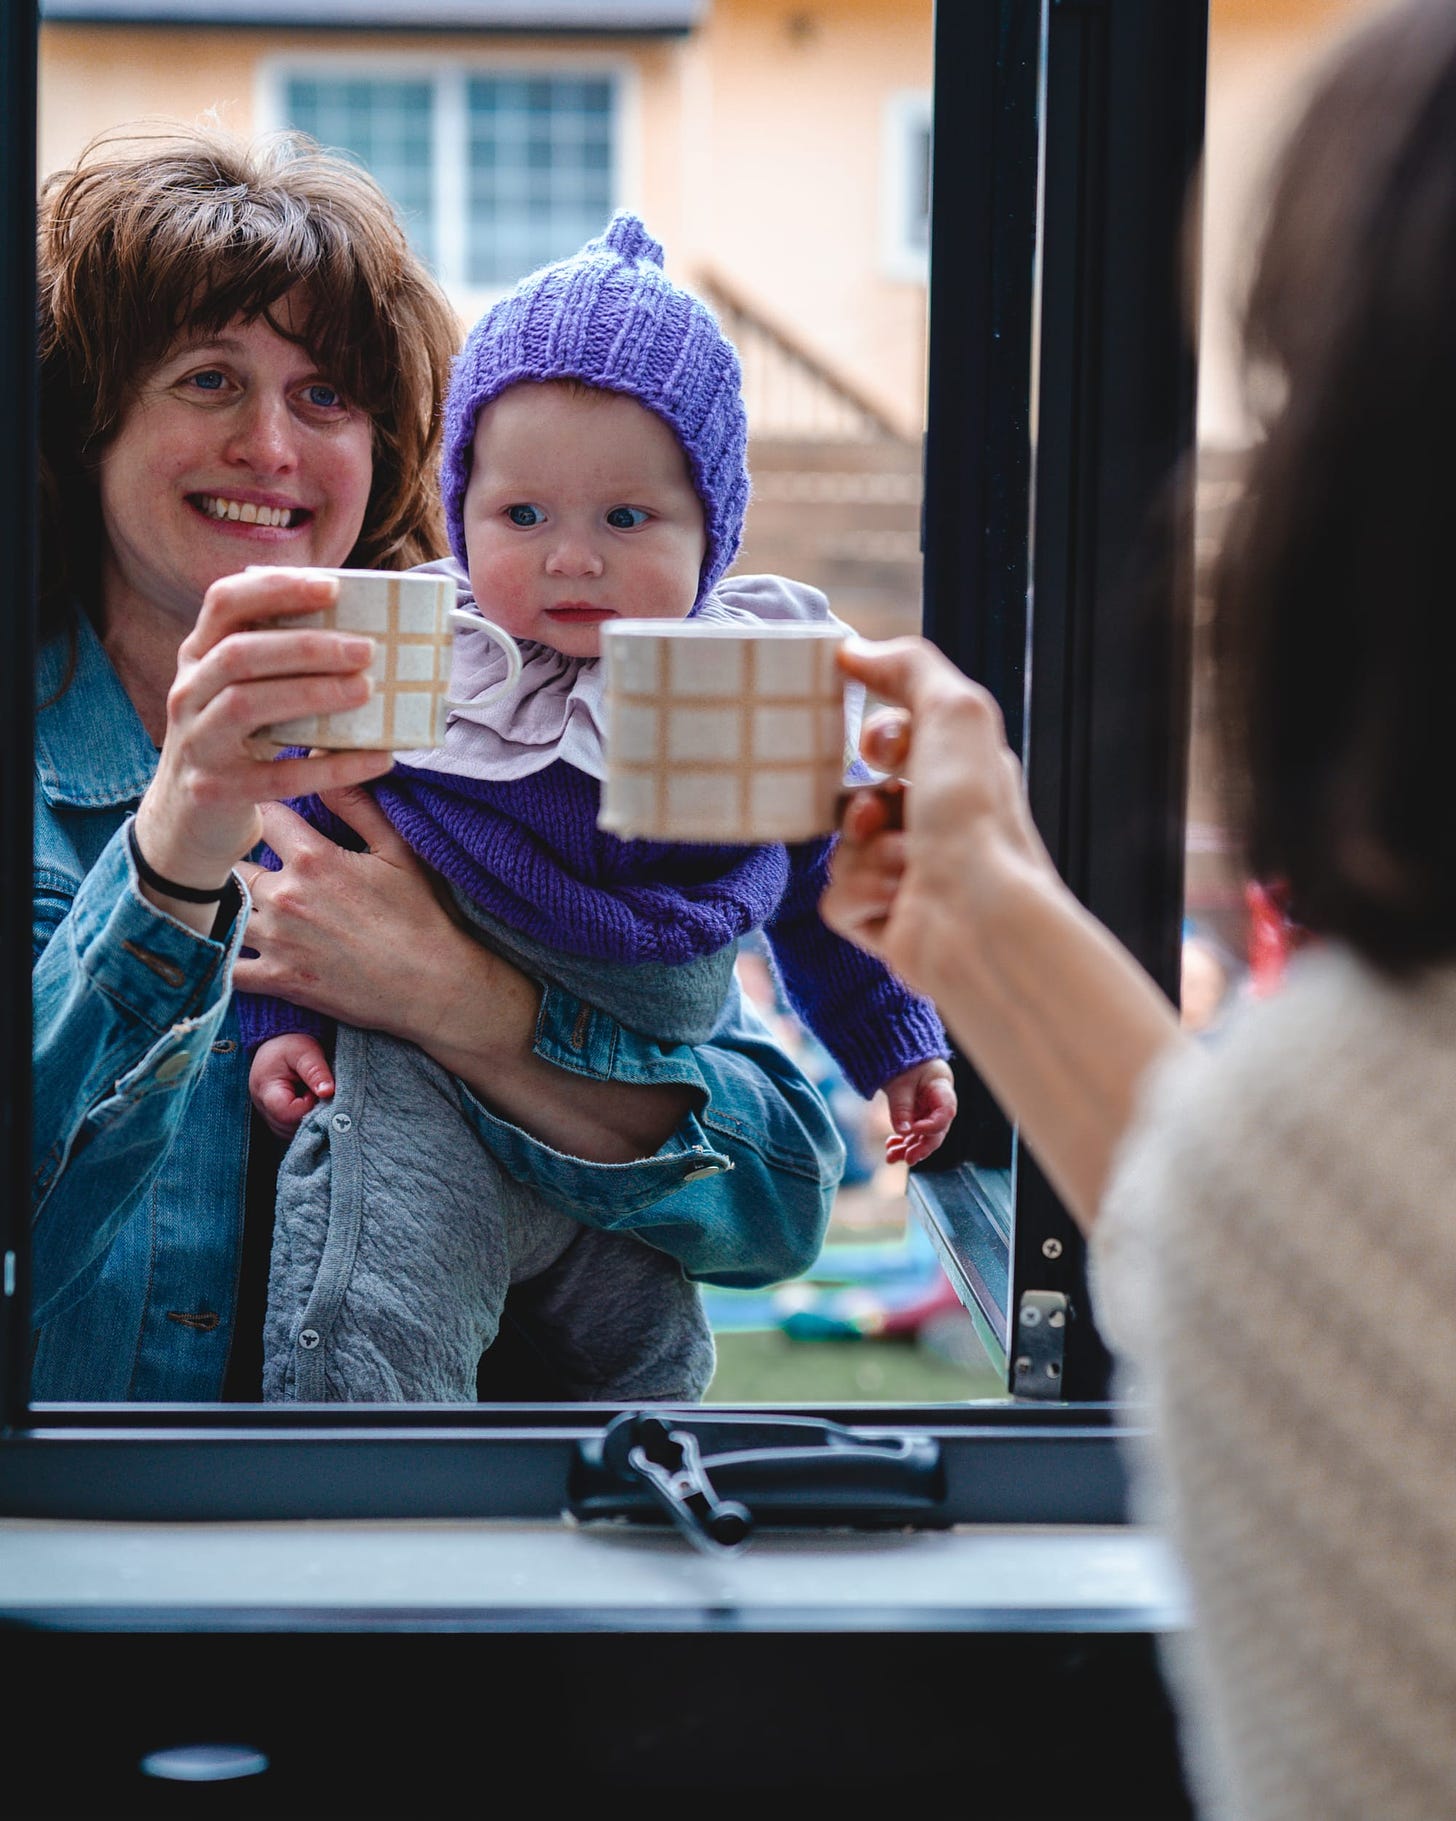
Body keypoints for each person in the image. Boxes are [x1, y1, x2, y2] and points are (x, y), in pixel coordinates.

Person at [821, 0, 1456, 1814]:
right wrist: (979, 915)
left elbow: (1312, 1242)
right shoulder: (1322, 1142)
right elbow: (1271, 1241)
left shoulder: (1344, 1126)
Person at [32, 122, 848, 1405]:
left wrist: (469, 1010)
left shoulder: (503, 727)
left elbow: (780, 1190)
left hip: (450, 1557)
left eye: (326, 395)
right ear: (87, 422)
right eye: (206, 379)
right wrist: (177, 847)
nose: (273, 448)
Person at [240, 212, 955, 1402]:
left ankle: (640, 1542)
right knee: (375, 1306)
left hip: (643, 1053)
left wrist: (894, 1047)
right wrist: (283, 1033)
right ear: (462, 510)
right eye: (522, 518)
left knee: (644, 1366)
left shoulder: (743, 673)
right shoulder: (428, 650)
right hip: (415, 1082)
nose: (571, 561)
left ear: (713, 530)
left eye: (626, 520)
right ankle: (359, 1520)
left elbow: (830, 886)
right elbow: (294, 841)